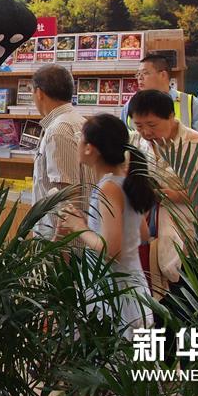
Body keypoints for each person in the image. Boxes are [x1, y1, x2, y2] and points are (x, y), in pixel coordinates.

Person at [127, 90, 198, 315]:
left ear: (171, 116)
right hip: (147, 241)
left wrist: (174, 195)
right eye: (139, 125)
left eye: (152, 125)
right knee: (153, 312)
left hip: (189, 242)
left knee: (186, 308)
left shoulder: (196, 143)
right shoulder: (135, 142)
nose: (146, 132)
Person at [58, 114, 154, 337]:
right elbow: (142, 234)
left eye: (80, 138)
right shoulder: (125, 181)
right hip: (131, 287)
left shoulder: (108, 188)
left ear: (90, 148)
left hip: (114, 293)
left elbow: (112, 252)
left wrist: (79, 226)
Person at [31, 64, 96, 238]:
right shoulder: (80, 121)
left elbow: (67, 194)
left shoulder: (58, 130)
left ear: (39, 93)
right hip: (79, 234)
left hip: (62, 240)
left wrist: (60, 244)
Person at [120, 53, 198, 140]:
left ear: (163, 75)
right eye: (138, 74)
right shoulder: (130, 105)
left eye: (145, 73)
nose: (140, 78)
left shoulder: (189, 103)